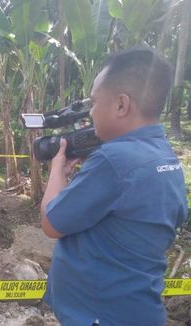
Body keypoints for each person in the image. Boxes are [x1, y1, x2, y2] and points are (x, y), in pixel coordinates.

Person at [40, 47, 188, 325]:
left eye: (94, 103)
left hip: (100, 317)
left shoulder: (114, 159)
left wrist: (57, 170)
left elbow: (51, 222)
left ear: (121, 105)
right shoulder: (166, 157)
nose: (91, 113)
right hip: (138, 311)